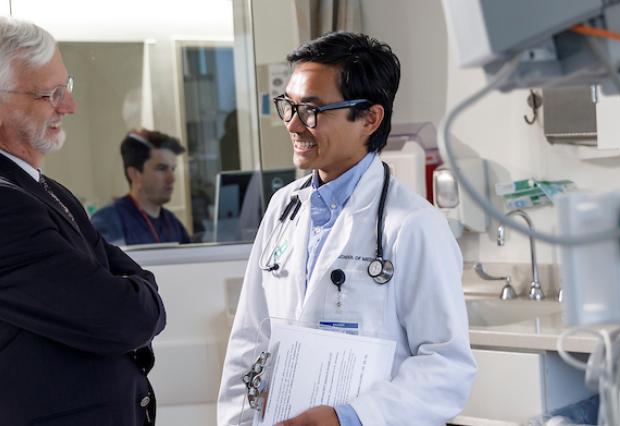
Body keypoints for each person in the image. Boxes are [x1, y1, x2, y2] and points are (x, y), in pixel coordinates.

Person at [218, 32, 476, 426]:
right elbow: (251, 339)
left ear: (370, 118)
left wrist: (348, 418)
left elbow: (447, 366)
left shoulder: (412, 225)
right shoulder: (283, 207)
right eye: (288, 106)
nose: (293, 124)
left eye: (312, 110)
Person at [0, 17, 166, 425]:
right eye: (49, 94)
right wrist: (136, 287)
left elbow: (119, 284)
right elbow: (127, 318)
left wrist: (129, 286)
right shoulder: (7, 208)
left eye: (66, 87)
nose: (68, 106)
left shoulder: (44, 189)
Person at [91, 128, 191, 246]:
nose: (172, 179)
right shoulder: (109, 220)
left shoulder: (173, 223)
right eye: (161, 169)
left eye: (172, 169)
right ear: (134, 174)